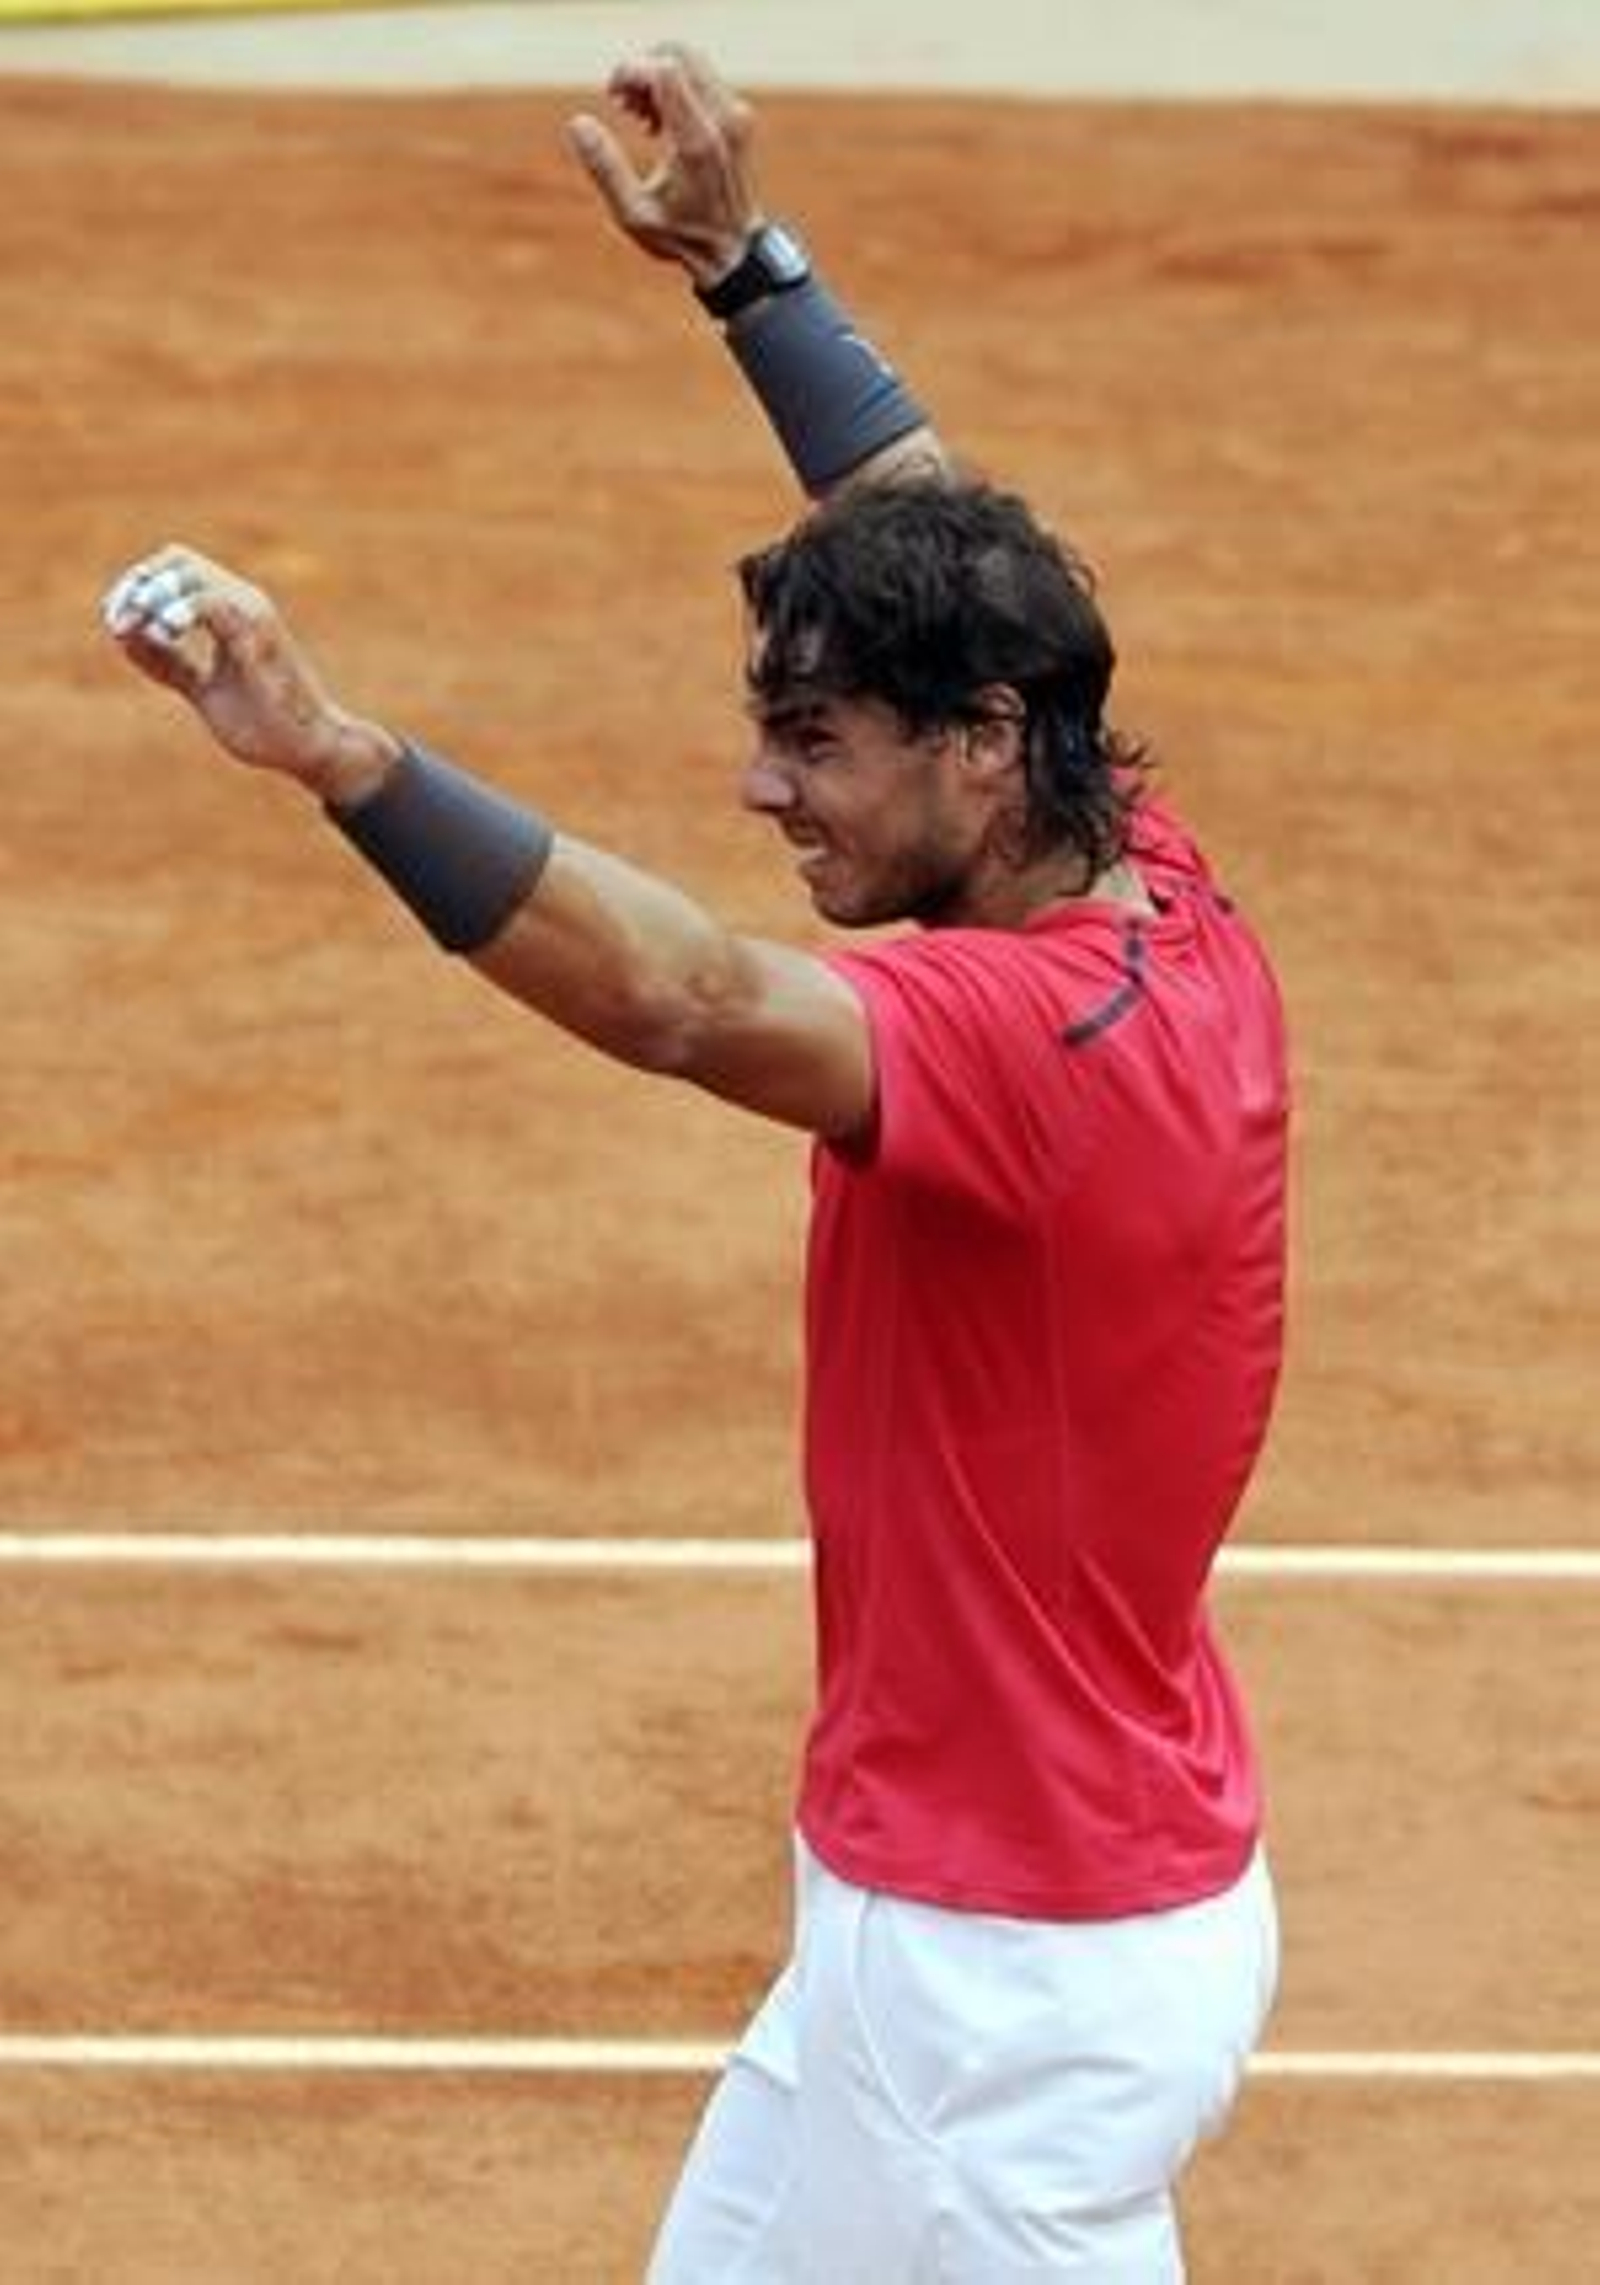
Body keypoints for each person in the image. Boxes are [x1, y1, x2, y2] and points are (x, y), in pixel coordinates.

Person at [102, 45, 1286, 2282]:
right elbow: (957, 526)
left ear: (975, 748)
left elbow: (678, 999)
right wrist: (749, 271)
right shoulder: (1142, 874)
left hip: (1003, 1986)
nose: (763, 789)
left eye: (811, 742)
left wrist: (344, 759)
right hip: (959, 1925)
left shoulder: (1020, 1047)